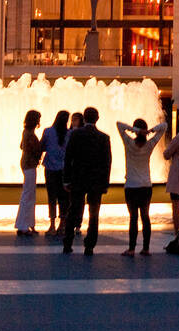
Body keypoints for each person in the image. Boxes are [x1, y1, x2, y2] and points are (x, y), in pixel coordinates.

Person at [62, 106, 111, 254]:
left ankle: (67, 243)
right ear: (97, 118)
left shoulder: (76, 135)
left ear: (84, 118)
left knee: (73, 210)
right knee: (94, 213)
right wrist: (105, 183)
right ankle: (89, 245)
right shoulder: (104, 138)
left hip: (78, 179)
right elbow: (107, 162)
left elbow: (68, 157)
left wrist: (66, 179)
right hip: (96, 182)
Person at [117, 117, 167, 255]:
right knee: (145, 216)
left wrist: (136, 131)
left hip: (131, 186)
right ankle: (146, 248)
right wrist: (150, 131)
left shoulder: (128, 143)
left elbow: (119, 124)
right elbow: (164, 126)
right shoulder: (150, 145)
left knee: (133, 217)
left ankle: (131, 248)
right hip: (146, 186)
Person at [40, 110, 71, 238]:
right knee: (64, 198)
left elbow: (42, 147)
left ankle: (52, 225)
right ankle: (62, 225)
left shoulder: (48, 131)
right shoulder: (70, 134)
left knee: (51, 197)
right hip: (64, 170)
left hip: (50, 169)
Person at [15, 110, 42, 237]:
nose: (39, 122)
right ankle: (24, 225)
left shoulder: (25, 132)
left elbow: (22, 146)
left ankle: (27, 224)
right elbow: (33, 149)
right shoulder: (30, 134)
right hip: (29, 164)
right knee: (28, 194)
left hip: (26, 164)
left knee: (29, 193)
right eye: (38, 119)